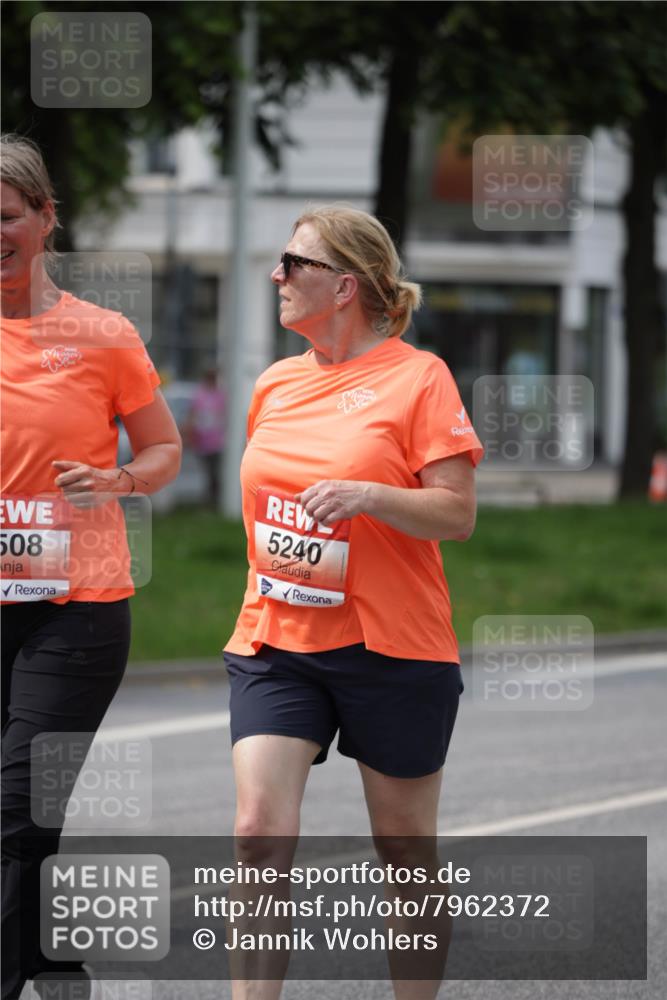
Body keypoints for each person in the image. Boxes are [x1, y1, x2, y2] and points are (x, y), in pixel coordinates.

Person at [223, 205, 484, 999]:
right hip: (277, 639)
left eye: (290, 262)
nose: (276, 275)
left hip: (391, 649)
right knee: (256, 834)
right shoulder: (273, 383)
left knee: (403, 849)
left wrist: (372, 495)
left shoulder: (419, 378)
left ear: (342, 286)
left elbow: (457, 514)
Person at [0, 133, 182, 1000]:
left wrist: (114, 478)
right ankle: (50, 960)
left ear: (44, 219)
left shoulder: (102, 336)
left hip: (75, 605)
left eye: (4, 217)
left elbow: (163, 450)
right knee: (27, 824)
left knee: (14, 806)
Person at [185, 365, 227, 507]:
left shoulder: (220, 395)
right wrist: (191, 433)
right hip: (203, 440)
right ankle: (209, 499)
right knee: (207, 472)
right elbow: (193, 415)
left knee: (214, 472)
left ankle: (213, 499)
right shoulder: (200, 395)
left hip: (217, 441)